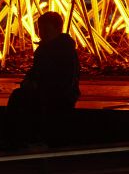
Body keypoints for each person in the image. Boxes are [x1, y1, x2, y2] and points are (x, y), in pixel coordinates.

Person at [6, 10, 81, 149]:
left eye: (46, 30)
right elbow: (35, 71)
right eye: (40, 29)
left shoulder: (65, 51)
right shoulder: (43, 50)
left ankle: (29, 138)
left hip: (61, 94)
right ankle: (16, 137)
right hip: (45, 90)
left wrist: (39, 85)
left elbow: (66, 80)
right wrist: (28, 81)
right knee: (18, 96)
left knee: (32, 101)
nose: (42, 33)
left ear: (57, 29)